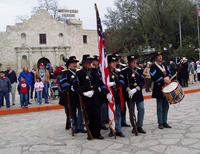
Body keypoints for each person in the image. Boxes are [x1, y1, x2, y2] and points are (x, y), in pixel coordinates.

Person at [73, 54, 104, 139]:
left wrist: (93, 90)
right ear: (83, 63)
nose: (89, 64)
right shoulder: (79, 73)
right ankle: (90, 132)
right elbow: (75, 85)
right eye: (87, 63)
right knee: (88, 115)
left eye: (90, 63)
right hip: (86, 97)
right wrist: (82, 93)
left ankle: (97, 133)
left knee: (97, 115)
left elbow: (98, 82)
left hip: (95, 95)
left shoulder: (94, 71)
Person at [60, 56, 87, 133]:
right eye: (73, 63)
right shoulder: (65, 73)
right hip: (71, 95)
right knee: (72, 112)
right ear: (69, 64)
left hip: (78, 95)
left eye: (75, 63)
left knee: (80, 111)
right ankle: (74, 126)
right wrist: (70, 86)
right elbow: (62, 83)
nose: (75, 65)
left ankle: (80, 126)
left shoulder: (79, 72)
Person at [122, 55, 146, 134]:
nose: (134, 63)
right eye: (133, 61)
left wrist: (137, 88)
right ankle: (134, 126)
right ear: (129, 62)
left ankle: (140, 126)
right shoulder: (125, 71)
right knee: (131, 111)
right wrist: (128, 89)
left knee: (141, 108)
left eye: (135, 61)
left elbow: (142, 81)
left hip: (137, 92)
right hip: (130, 93)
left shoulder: (139, 70)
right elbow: (123, 82)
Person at [150, 51, 172, 129]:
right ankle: (160, 122)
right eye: (159, 56)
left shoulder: (164, 65)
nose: (160, 57)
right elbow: (153, 76)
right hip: (158, 88)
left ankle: (165, 121)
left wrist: (168, 77)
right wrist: (163, 79)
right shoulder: (153, 67)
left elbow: (169, 73)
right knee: (159, 105)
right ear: (155, 58)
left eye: (161, 56)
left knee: (166, 105)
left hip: (166, 88)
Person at [107, 55, 126, 137]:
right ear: (109, 63)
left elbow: (122, 81)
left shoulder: (118, 71)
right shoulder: (106, 73)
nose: (114, 64)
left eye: (115, 62)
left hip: (117, 94)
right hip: (110, 95)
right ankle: (112, 129)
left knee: (118, 113)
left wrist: (114, 83)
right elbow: (103, 83)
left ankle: (118, 130)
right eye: (112, 62)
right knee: (111, 112)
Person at [92, 55, 109, 130]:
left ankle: (103, 122)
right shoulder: (92, 70)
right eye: (92, 61)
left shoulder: (102, 69)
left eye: (94, 61)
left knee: (104, 107)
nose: (93, 63)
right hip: (96, 91)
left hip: (102, 91)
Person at [113, 53, 130, 127]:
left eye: (118, 59)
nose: (117, 61)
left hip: (123, 89)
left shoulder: (122, 67)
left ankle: (123, 121)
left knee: (123, 107)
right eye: (116, 60)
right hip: (116, 89)